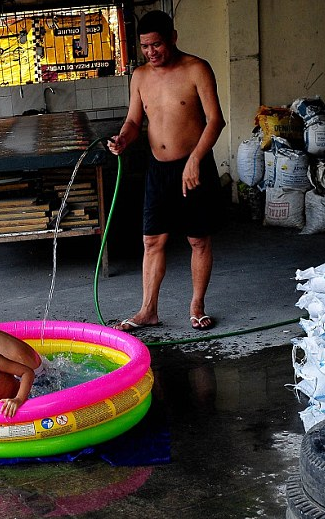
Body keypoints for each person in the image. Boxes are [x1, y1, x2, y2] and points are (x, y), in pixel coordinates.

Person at [108, 10, 225, 332]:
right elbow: (134, 122)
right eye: (145, 47)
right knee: (152, 241)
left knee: (198, 241)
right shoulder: (140, 76)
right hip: (158, 170)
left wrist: (195, 159)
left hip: (194, 167)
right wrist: (122, 139)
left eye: (156, 44)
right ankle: (148, 310)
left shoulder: (196, 69)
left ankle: (197, 306)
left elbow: (216, 120)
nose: (151, 52)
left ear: (172, 37)